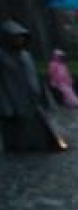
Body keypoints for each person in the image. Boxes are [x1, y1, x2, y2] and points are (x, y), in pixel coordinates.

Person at [0, 20, 65, 152]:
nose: (20, 40)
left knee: (37, 130)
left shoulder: (26, 55)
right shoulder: (2, 56)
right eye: (16, 37)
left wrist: (43, 96)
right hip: (11, 101)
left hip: (31, 100)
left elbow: (34, 76)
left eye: (21, 37)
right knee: (14, 132)